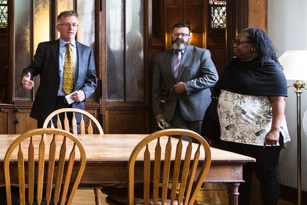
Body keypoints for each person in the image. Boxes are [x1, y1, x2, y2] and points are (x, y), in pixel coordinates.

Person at [214, 28, 290, 205]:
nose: (234, 45)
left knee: (266, 176)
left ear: (254, 46)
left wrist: (274, 130)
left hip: (262, 136)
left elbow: (279, 100)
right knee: (240, 177)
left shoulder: (271, 69)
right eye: (235, 41)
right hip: (233, 134)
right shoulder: (233, 66)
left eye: (240, 42)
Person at [21, 10, 97, 129]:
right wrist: (27, 76)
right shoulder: (45, 48)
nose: (71, 28)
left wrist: (84, 92)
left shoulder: (86, 51)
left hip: (75, 107)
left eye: (74, 24)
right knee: (47, 144)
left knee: (74, 145)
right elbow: (32, 69)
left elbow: (91, 80)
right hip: (49, 106)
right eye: (66, 24)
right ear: (58, 27)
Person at [152, 23, 218, 138]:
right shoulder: (160, 58)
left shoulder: (202, 54)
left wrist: (187, 86)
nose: (179, 37)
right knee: (180, 149)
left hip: (199, 111)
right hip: (174, 112)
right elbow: (155, 88)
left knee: (200, 150)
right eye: (176, 34)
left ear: (190, 37)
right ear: (171, 36)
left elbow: (213, 78)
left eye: (183, 34)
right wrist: (157, 111)